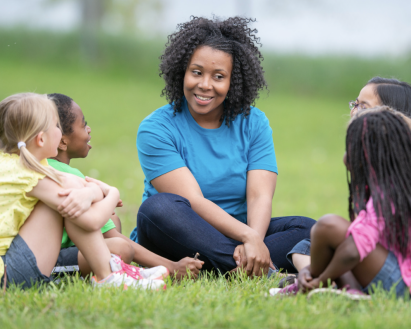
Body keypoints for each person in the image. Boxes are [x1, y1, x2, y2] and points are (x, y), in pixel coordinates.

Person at [130, 16, 315, 276]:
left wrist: (254, 240)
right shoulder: (156, 128)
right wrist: (248, 238)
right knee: (157, 209)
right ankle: (260, 268)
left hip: (238, 233)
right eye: (196, 72)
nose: (205, 85)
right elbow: (192, 200)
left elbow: (259, 195)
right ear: (182, 71)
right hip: (174, 237)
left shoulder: (254, 122)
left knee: (310, 229)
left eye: (218, 76)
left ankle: (235, 266)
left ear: (233, 81)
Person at [282, 77, 411, 285]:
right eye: (355, 103)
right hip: (401, 250)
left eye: (364, 106)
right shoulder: (384, 157)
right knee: (307, 246)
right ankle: (314, 278)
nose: (354, 111)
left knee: (327, 238)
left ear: (390, 116)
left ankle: (315, 280)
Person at [0, 93, 165, 289]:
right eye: (57, 126)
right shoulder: (29, 173)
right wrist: (112, 194)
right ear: (41, 140)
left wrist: (89, 193)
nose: (60, 132)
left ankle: (113, 272)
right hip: (9, 275)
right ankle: (107, 277)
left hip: (10, 262)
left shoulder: (14, 165)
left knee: (72, 196)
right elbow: (91, 220)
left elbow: (75, 184)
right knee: (70, 202)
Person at [48, 93, 202, 278]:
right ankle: (123, 274)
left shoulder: (46, 168)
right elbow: (114, 238)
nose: (88, 129)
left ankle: (111, 271)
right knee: (121, 248)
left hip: (58, 249)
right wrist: (171, 266)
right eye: (83, 124)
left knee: (113, 219)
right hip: (49, 260)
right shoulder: (69, 177)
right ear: (63, 141)